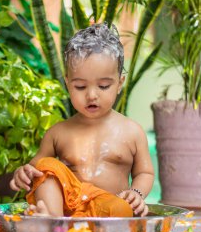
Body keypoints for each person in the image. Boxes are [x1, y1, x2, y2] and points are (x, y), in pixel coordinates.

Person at [10, 23, 154, 217]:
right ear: (68, 83)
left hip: (106, 209)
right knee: (46, 165)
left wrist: (136, 194)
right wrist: (24, 172)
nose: (92, 95)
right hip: (65, 211)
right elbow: (36, 170)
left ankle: (57, 224)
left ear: (119, 83)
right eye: (80, 87)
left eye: (103, 86)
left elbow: (144, 173)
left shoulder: (132, 132)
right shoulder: (58, 133)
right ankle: (52, 220)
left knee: (123, 208)